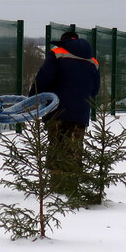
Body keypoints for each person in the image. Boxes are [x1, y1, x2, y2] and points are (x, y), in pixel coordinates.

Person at [30, 31, 100, 196]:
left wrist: (31, 99)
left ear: (64, 42)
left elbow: (43, 78)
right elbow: (95, 89)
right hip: (81, 113)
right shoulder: (93, 60)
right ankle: (72, 185)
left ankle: (57, 187)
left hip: (57, 111)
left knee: (57, 146)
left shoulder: (57, 53)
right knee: (75, 148)